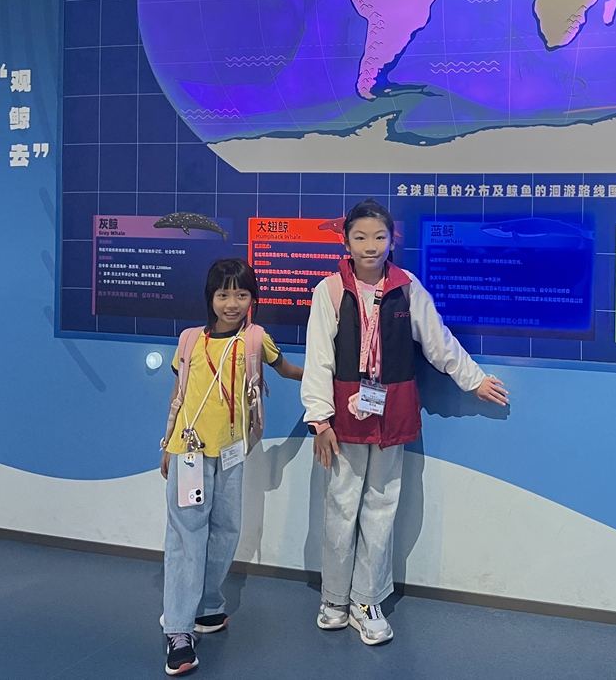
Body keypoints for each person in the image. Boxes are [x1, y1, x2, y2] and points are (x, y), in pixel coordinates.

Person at [301, 199, 509, 645]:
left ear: (391, 240)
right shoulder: (329, 291)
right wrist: (319, 419)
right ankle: (334, 598)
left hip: (392, 409)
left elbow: (439, 342)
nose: (370, 246)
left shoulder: (407, 286)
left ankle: (367, 600)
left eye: (379, 237)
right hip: (344, 415)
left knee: (381, 507)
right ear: (346, 242)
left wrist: (474, 380)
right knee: (340, 506)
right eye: (360, 237)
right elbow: (318, 358)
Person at [159, 257, 303, 676]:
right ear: (211, 298)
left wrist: (329, 377)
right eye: (223, 294)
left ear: (252, 298)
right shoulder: (189, 340)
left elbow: (287, 370)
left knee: (225, 530)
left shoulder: (256, 339)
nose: (232, 303)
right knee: (186, 537)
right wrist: (167, 445)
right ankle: (179, 630)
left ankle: (207, 606)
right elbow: (179, 394)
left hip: (232, 452)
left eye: (241, 294)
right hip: (188, 453)